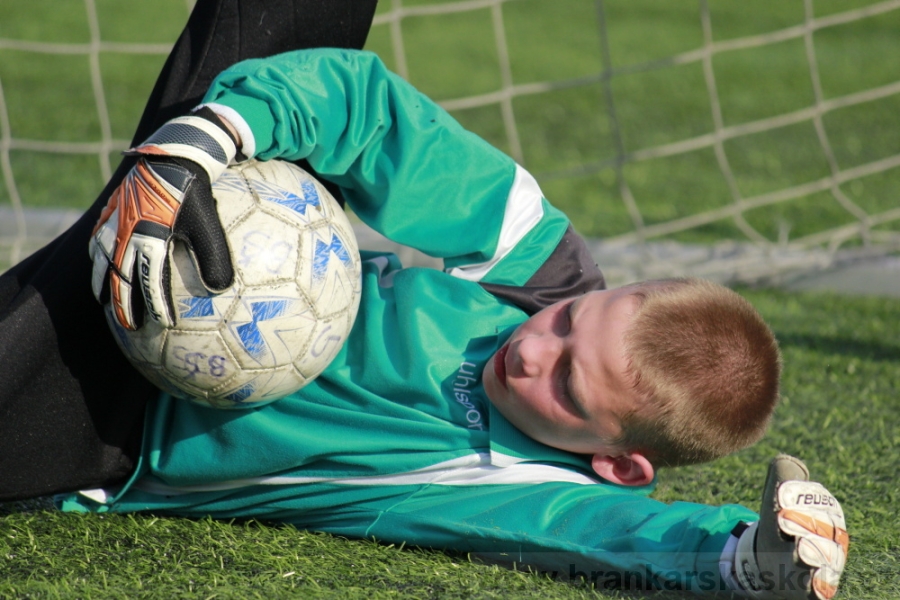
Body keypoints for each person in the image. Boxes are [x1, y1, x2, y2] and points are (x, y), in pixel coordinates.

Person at [0, 2, 847, 598]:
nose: (533, 351)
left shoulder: (518, 480)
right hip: (185, 202)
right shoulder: (539, 265)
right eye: (568, 327)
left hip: (109, 419)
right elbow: (375, 115)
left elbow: (629, 537)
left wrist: (751, 557)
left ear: (615, 463)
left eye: (567, 387)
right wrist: (208, 140)